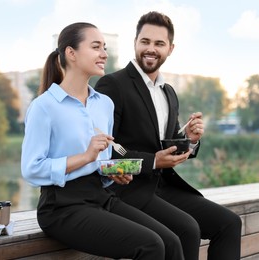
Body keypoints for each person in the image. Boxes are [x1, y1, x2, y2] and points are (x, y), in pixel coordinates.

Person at [21, 22, 186, 260]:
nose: (104, 54)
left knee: (170, 241)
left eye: (104, 47)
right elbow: (31, 169)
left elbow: (100, 162)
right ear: (71, 53)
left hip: (100, 197)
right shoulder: (44, 107)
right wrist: (86, 156)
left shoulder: (103, 104)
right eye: (96, 47)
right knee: (150, 245)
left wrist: (113, 173)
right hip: (61, 206)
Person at [95, 11, 242, 260]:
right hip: (128, 189)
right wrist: (153, 161)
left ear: (170, 49)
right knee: (187, 229)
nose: (151, 49)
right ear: (135, 43)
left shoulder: (169, 92)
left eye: (159, 43)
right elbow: (106, 152)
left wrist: (191, 140)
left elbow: (170, 141)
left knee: (230, 223)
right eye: (145, 41)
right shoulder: (112, 85)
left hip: (164, 186)